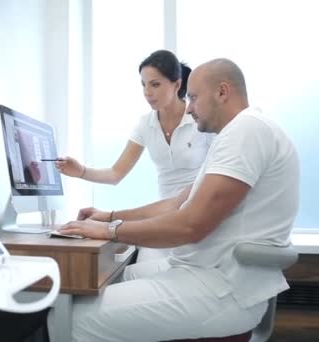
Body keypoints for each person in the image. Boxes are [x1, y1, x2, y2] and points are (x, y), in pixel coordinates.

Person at [59, 58, 300, 341]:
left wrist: (109, 230)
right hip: (208, 271)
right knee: (114, 279)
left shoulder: (246, 131)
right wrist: (110, 216)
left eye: (194, 97)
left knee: (72, 319)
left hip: (223, 287)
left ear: (222, 92)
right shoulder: (236, 134)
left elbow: (190, 226)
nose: (190, 107)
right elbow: (175, 204)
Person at [56, 49, 214, 262]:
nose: (147, 92)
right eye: (143, 84)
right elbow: (115, 173)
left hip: (193, 214)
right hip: (161, 217)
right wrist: (81, 171)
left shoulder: (199, 119)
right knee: (137, 264)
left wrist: (111, 218)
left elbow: (210, 180)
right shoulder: (145, 124)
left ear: (177, 85)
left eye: (155, 84)